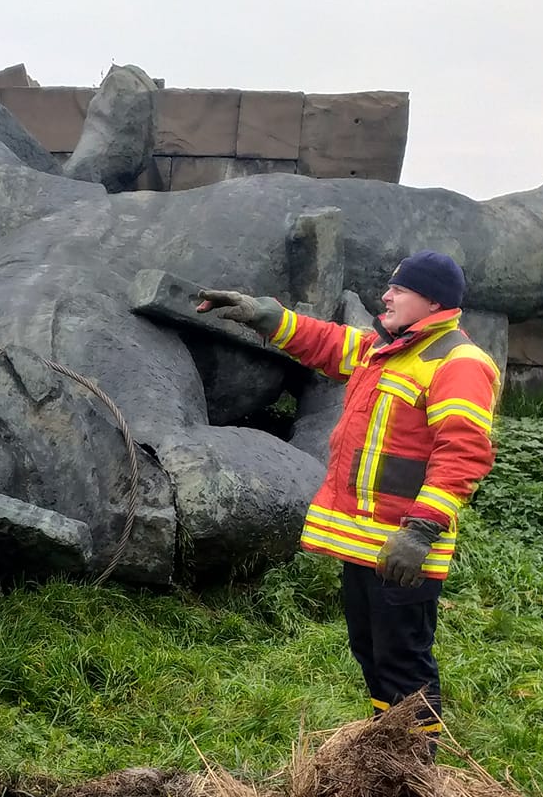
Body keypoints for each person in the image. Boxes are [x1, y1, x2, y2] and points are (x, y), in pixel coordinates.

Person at [196, 251, 499, 749]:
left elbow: (463, 453)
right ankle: (387, 753)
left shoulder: (458, 363)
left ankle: (417, 771)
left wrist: (421, 531)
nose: (387, 296)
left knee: (403, 660)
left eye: (399, 289)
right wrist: (263, 314)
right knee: (373, 652)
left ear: (432, 300)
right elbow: (326, 341)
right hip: (368, 544)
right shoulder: (390, 349)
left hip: (404, 548)